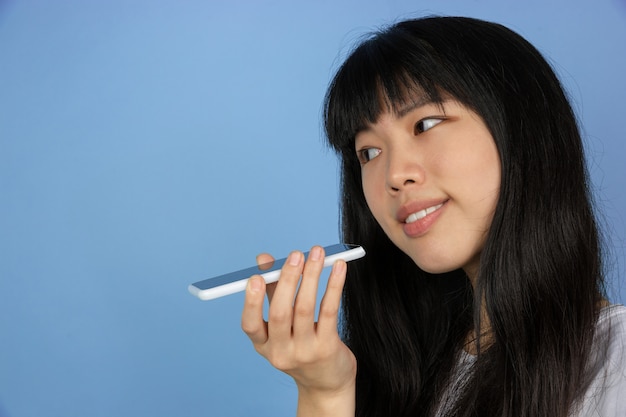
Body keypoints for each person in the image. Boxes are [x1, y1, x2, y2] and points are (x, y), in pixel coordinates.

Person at [240, 16, 626, 417]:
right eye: (368, 152)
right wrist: (324, 392)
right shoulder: (405, 373)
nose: (393, 175)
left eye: (424, 125)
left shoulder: (616, 365)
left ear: (520, 128)